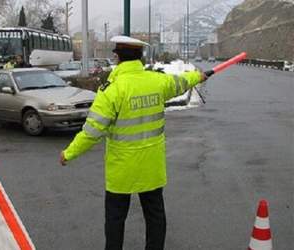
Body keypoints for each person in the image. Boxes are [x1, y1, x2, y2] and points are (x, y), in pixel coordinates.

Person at [59, 36, 209, 250]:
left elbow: (92, 132)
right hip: (151, 167)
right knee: (155, 215)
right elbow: (182, 82)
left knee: (115, 219)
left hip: (122, 171)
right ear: (139, 57)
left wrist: (69, 153)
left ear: (117, 57)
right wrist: (199, 76)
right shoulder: (157, 81)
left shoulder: (112, 90)